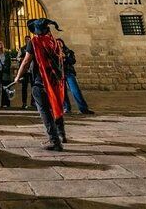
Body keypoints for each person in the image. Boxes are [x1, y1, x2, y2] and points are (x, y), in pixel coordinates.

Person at [14, 18, 66, 151]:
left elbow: (26, 62)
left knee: (44, 111)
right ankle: (61, 134)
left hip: (41, 81)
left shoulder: (35, 42)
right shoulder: (54, 41)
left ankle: (55, 141)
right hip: (55, 81)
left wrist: (17, 77)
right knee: (55, 106)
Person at [59, 38, 94, 115]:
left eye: (60, 42)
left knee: (75, 90)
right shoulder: (54, 53)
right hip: (60, 74)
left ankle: (83, 108)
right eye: (57, 43)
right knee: (63, 92)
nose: (59, 44)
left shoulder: (69, 52)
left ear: (63, 44)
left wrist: (65, 57)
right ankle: (66, 108)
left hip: (69, 73)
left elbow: (73, 61)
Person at [17, 35, 33, 109]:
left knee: (34, 86)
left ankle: (33, 102)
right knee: (24, 87)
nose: (27, 40)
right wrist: (23, 59)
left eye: (29, 39)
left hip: (32, 70)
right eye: (26, 39)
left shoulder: (33, 48)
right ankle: (24, 102)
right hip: (25, 71)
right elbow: (18, 58)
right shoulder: (22, 49)